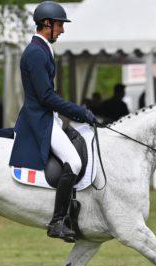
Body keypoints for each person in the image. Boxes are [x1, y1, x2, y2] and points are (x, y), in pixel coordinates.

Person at [9, 1, 96, 243]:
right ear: (47, 24)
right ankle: (57, 221)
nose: (62, 30)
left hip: (48, 117)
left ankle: (73, 212)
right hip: (39, 119)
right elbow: (46, 96)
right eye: (60, 25)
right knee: (74, 162)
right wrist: (80, 112)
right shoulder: (36, 52)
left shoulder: (43, 48)